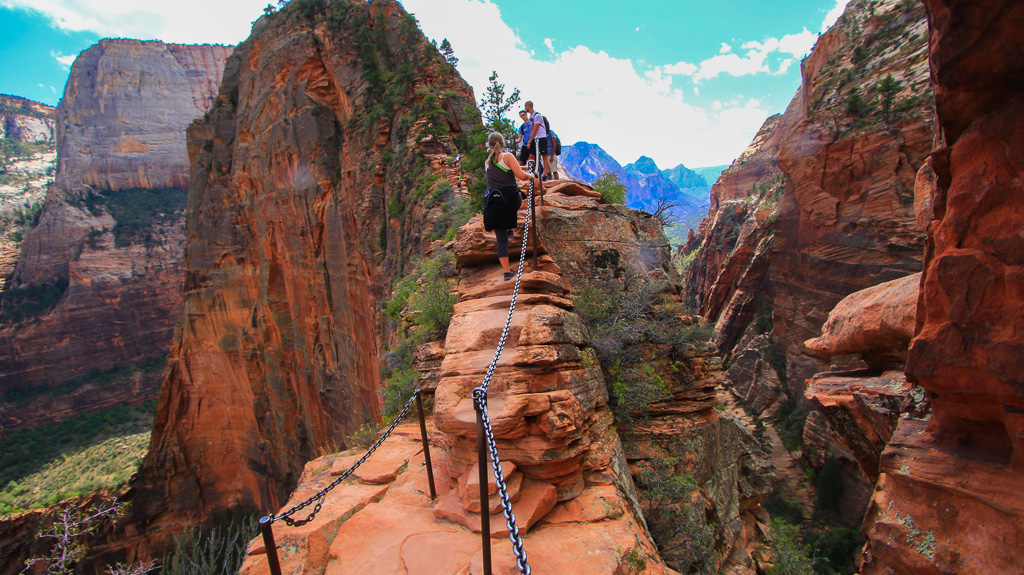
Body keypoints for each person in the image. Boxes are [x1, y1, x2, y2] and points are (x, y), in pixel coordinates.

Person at [482, 131, 534, 280]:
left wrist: (522, 168)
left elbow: (508, 169)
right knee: (520, 195)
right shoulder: (507, 156)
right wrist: (531, 175)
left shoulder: (488, 162)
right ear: (503, 144)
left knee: (501, 239)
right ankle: (509, 226)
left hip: (494, 203)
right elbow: (521, 176)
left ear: (490, 146)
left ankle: (506, 272)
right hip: (510, 201)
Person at [523, 101, 549, 179]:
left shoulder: (537, 116)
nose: (525, 108)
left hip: (541, 137)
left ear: (528, 106)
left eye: (525, 107)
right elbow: (532, 130)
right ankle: (533, 172)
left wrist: (529, 141)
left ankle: (545, 175)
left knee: (543, 155)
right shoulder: (531, 117)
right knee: (531, 155)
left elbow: (535, 129)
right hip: (535, 138)